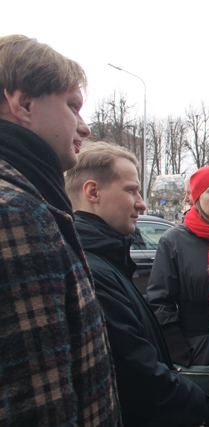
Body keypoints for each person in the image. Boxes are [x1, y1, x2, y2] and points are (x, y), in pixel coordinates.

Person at [0, 35, 120, 425]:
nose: (84, 128)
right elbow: (40, 401)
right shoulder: (16, 214)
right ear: (23, 104)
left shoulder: (30, 199)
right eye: (72, 106)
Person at [66, 142, 209, 426]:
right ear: (93, 192)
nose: (142, 203)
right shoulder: (93, 271)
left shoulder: (107, 262)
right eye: (131, 190)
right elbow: (138, 374)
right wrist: (202, 404)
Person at [147, 165, 209, 426]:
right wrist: (179, 351)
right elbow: (159, 299)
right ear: (196, 196)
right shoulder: (173, 241)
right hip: (197, 351)